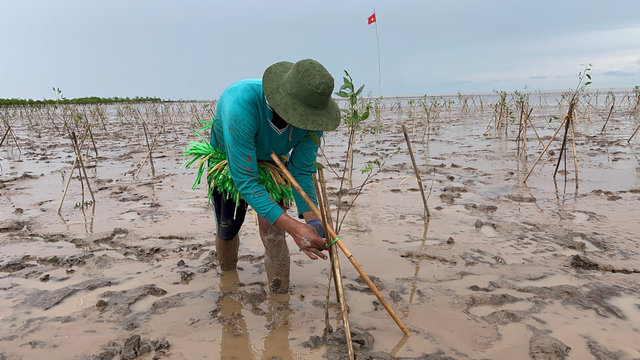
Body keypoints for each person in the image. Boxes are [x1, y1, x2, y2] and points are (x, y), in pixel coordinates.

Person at [209, 59, 341, 294]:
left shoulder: (313, 118)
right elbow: (246, 181)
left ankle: (280, 301)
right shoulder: (240, 104)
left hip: (272, 163)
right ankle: (227, 279)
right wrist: (294, 227)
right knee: (228, 227)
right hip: (231, 161)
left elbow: (300, 170)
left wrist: (312, 221)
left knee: (274, 232)